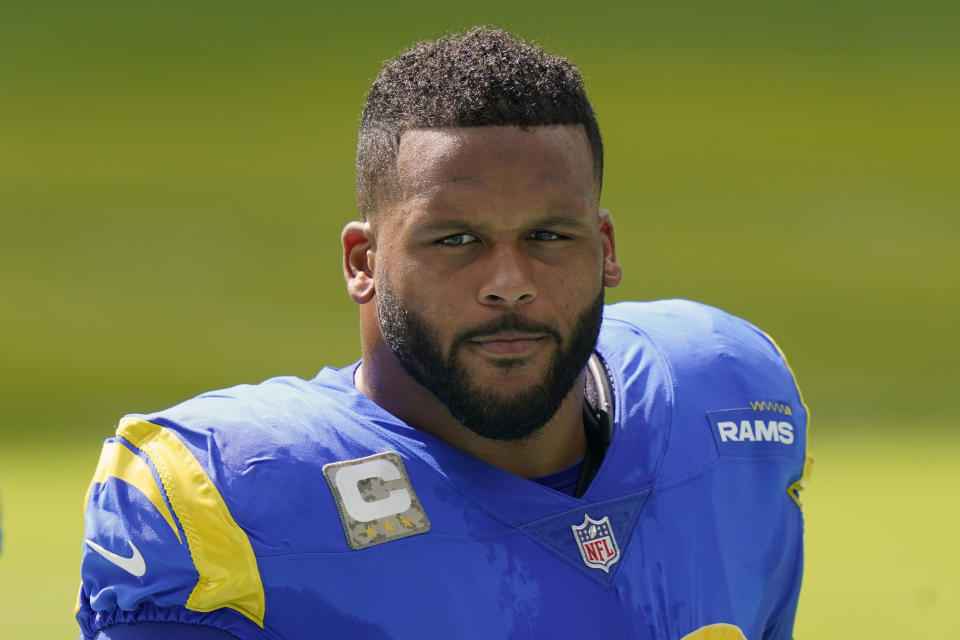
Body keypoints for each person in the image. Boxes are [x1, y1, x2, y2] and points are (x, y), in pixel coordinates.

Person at [77, 27, 811, 640]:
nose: (508, 280)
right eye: (455, 240)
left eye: (549, 235)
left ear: (607, 248)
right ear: (363, 262)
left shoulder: (729, 401)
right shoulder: (231, 496)